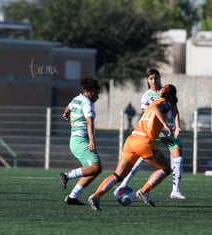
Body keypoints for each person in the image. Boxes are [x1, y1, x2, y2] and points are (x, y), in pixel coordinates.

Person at [88, 84, 178, 211]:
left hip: (132, 140)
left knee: (118, 175)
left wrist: (162, 135)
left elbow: (151, 123)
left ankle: (96, 196)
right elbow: (159, 108)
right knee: (165, 169)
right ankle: (144, 191)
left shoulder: (152, 104)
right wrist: (166, 125)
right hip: (144, 142)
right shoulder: (164, 103)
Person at [113, 69, 185, 200]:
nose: (154, 80)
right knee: (141, 157)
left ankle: (175, 190)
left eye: (156, 78)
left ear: (159, 78)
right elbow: (149, 113)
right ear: (147, 80)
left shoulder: (167, 93)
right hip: (153, 130)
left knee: (177, 151)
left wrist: (178, 127)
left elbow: (175, 110)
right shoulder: (146, 96)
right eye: (151, 78)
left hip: (167, 129)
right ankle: (124, 183)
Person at [58, 77, 102, 205]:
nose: (98, 96)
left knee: (91, 171)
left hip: (74, 141)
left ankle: (72, 197)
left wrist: (65, 113)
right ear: (92, 91)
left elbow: (68, 107)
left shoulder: (76, 99)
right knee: (97, 168)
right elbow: (90, 122)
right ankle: (66, 175)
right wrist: (92, 141)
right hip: (81, 141)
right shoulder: (87, 103)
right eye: (97, 93)